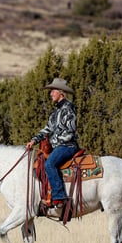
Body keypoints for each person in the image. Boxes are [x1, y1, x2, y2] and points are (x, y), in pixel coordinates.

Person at [25, 78, 79, 210]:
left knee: (50, 164)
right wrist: (34, 140)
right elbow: (47, 129)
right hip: (58, 146)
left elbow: (70, 131)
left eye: (53, 91)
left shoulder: (69, 108)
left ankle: (60, 197)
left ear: (61, 92)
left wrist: (54, 141)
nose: (51, 94)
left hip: (68, 146)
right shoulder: (55, 111)